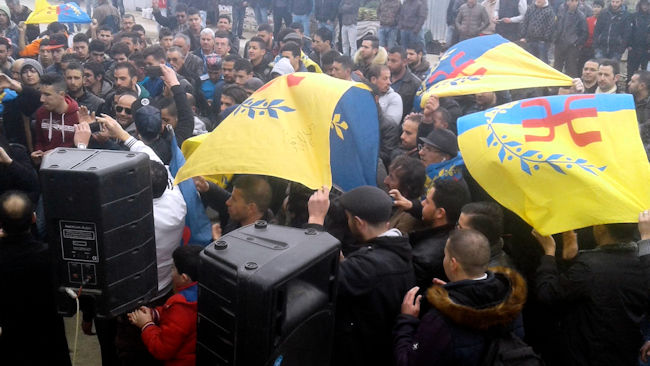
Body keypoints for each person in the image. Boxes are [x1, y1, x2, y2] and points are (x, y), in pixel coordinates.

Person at [307, 185, 415, 366]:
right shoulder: (396, 247)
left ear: (358, 222)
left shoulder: (371, 266)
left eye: (348, 218)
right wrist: (346, 262)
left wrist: (315, 221)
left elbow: (317, 277)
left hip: (357, 354)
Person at [394, 229, 526, 365]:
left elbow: (409, 362)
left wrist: (407, 321)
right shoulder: (509, 297)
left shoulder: (440, 320)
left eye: (445, 255)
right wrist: (457, 292)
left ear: (453, 263)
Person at [533, 216, 650, 365]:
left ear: (600, 228)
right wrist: (571, 259)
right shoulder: (643, 264)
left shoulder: (589, 268)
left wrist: (549, 253)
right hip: (625, 352)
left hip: (588, 356)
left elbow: (547, 293)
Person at [0, 191, 72, 366]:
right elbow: (69, 305)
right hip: (50, 343)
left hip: (13, 347)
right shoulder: (51, 257)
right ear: (33, 218)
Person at [127, 244, 202, 366]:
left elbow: (162, 349)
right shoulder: (206, 292)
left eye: (173, 268)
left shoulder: (181, 305)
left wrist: (146, 324)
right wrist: (154, 314)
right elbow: (178, 321)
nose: (171, 272)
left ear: (184, 278)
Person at [195, 174, 273, 235]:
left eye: (234, 199)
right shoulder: (240, 214)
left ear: (251, 208)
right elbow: (223, 198)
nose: (228, 202)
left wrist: (218, 244)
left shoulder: (267, 239)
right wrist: (207, 187)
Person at [32, 73, 79, 165]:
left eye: (47, 95)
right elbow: (40, 140)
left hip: (71, 167)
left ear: (61, 95)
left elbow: (81, 148)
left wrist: (57, 153)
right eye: (41, 94)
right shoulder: (41, 113)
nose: (42, 99)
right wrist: (39, 152)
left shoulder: (78, 115)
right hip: (46, 167)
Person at [458, 202, 514, 268]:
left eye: (461, 228)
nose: (456, 230)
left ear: (479, 236)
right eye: (457, 224)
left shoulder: (495, 273)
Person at [384, 156, 427, 234]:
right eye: (388, 175)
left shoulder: (408, 219)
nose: (385, 181)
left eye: (392, 178)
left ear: (407, 188)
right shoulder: (393, 205)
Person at [553, 0, 587, 77]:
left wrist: (576, 43)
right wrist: (555, 38)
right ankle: (554, 87)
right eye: (572, 1)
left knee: (571, 68)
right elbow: (555, 26)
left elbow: (584, 32)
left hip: (572, 46)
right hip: (559, 43)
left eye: (575, 1)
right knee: (557, 67)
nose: (574, 3)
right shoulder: (561, 12)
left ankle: (570, 87)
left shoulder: (581, 15)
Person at [387, 46, 421, 117]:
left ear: (405, 62)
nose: (389, 64)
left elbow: (416, 109)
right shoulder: (383, 77)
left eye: (393, 61)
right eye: (388, 60)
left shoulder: (415, 84)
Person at [627, 0, 650, 74]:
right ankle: (629, 85)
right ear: (640, 5)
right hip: (634, 48)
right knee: (631, 71)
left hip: (647, 50)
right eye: (643, 4)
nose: (645, 6)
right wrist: (629, 45)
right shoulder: (633, 16)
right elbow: (628, 31)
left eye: (647, 5)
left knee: (646, 72)